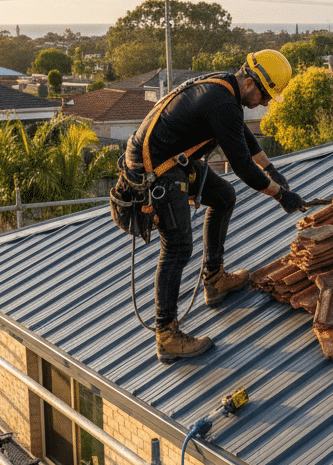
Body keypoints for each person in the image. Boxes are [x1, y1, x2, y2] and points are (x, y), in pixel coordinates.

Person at [125, 49, 307, 364]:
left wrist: (270, 168)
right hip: (154, 169)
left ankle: (214, 278)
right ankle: (166, 335)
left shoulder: (226, 86)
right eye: (265, 96)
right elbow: (242, 166)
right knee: (178, 247)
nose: (265, 103)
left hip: (171, 161)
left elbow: (239, 136)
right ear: (251, 83)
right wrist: (281, 195)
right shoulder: (222, 102)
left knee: (224, 197)